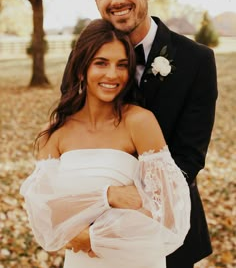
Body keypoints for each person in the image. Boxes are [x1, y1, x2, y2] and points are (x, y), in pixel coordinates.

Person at [61, 0, 218, 268]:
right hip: (87, 233)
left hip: (166, 231)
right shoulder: (82, 58)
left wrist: (128, 213)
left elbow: (188, 156)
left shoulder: (197, 60)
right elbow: (69, 135)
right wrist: (84, 214)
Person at [20, 19, 191, 268]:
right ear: (81, 69)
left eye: (122, 65)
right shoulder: (55, 132)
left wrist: (92, 237)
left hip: (135, 260)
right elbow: (44, 212)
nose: (112, 74)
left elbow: (168, 214)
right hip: (81, 262)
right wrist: (108, 196)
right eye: (101, 63)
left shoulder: (140, 122)